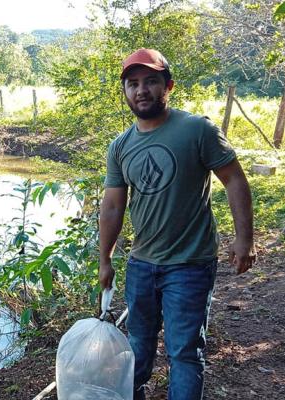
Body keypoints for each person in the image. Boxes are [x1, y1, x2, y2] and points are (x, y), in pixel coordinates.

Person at [98, 48, 255, 400]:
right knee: (137, 342)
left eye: (151, 81)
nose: (141, 91)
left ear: (168, 86)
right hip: (141, 263)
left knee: (184, 352)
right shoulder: (120, 146)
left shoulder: (197, 130)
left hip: (190, 264)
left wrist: (245, 239)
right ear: (125, 92)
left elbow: (234, 180)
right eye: (133, 84)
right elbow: (111, 206)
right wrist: (105, 258)